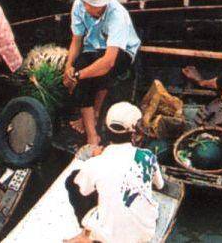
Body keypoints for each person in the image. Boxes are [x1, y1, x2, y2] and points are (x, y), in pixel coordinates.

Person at [64, 101, 166, 243]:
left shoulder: (95, 163)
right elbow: (160, 186)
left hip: (110, 238)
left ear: (106, 129)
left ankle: (86, 233)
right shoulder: (148, 156)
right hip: (145, 234)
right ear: (134, 132)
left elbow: (84, 191)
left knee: (72, 180)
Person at [64, 0, 142, 149]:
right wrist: (69, 66)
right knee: (84, 71)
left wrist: (78, 75)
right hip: (93, 47)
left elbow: (108, 61)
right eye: (84, 2)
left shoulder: (118, 16)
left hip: (122, 52)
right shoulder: (79, 5)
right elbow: (77, 40)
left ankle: (92, 136)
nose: (86, 7)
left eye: (90, 5)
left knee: (93, 76)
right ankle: (94, 116)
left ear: (102, 5)